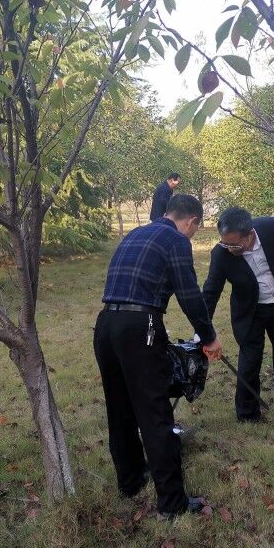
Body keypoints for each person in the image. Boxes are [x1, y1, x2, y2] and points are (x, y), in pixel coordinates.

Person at [94, 193, 223, 519]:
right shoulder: (176, 240)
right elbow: (189, 294)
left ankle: (131, 481)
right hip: (140, 327)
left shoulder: (135, 233)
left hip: (106, 324)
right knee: (156, 413)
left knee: (120, 408)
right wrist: (209, 337)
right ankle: (172, 505)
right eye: (195, 229)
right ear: (192, 221)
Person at [203, 207, 274, 422]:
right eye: (225, 243)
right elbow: (210, 292)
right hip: (250, 312)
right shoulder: (221, 254)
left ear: (249, 235)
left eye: (234, 244)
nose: (229, 248)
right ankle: (247, 414)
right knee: (250, 361)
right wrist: (203, 329)